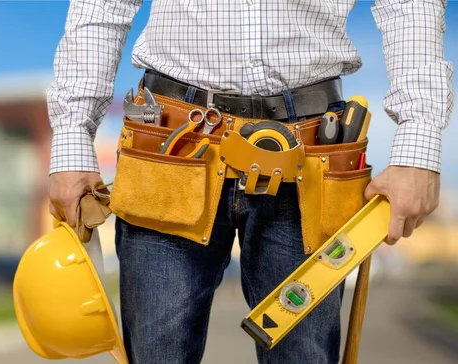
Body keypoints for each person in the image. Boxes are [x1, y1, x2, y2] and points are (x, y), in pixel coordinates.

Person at [46, 1, 454, 363]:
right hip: (171, 152)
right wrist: (72, 136)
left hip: (312, 151)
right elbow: (100, 7)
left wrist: (418, 143)